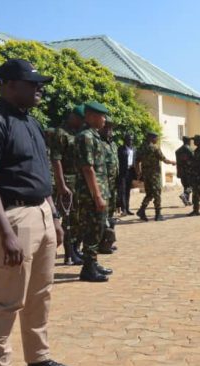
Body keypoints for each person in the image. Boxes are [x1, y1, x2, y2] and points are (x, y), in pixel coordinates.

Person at [0, 58, 78, 366]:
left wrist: (55, 218)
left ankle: (38, 360)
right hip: (11, 217)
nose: (39, 88)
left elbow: (39, 173)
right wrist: (6, 233)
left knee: (40, 294)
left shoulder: (31, 122)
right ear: (7, 84)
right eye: (31, 82)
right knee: (6, 303)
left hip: (41, 213)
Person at [75, 101, 114, 282]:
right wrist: (97, 195)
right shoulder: (86, 137)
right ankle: (88, 268)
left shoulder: (95, 136)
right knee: (92, 228)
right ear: (90, 116)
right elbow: (88, 168)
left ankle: (93, 262)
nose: (104, 119)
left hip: (100, 190)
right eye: (102, 116)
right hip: (90, 193)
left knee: (98, 228)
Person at [49, 104, 85, 265]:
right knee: (68, 219)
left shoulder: (76, 133)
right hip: (67, 181)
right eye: (81, 120)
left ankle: (75, 250)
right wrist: (61, 184)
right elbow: (56, 160)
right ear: (74, 117)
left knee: (77, 219)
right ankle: (68, 254)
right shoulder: (61, 133)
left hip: (77, 181)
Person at [135, 132, 176, 221]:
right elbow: (163, 159)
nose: (157, 140)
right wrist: (172, 162)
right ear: (151, 138)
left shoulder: (141, 148)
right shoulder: (154, 148)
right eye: (156, 138)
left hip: (146, 175)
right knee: (157, 193)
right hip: (154, 175)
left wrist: (139, 173)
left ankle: (141, 210)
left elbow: (137, 161)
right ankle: (158, 214)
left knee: (149, 194)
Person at [98, 120, 118, 254]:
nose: (109, 131)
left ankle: (108, 242)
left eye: (110, 129)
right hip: (102, 184)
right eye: (106, 128)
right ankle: (100, 243)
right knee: (102, 215)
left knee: (110, 214)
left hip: (112, 184)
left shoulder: (113, 144)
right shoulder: (99, 143)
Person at [117, 134, 136, 215]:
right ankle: (123, 209)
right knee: (123, 191)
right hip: (123, 172)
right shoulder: (121, 149)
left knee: (128, 191)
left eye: (131, 139)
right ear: (125, 140)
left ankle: (127, 209)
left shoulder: (134, 149)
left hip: (130, 171)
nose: (130, 141)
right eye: (129, 139)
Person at [175, 136, 194, 206]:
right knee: (192, 186)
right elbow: (194, 159)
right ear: (188, 141)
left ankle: (186, 201)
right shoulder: (189, 150)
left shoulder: (178, 151)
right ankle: (184, 195)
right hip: (189, 171)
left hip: (181, 171)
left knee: (186, 186)